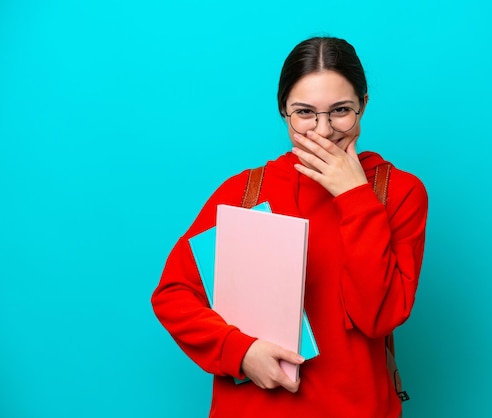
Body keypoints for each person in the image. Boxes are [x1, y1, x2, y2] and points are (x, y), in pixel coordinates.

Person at [151, 36, 428, 417]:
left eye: (340, 110)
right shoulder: (245, 192)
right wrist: (240, 352)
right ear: (283, 109)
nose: (323, 130)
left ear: (363, 105)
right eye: (304, 113)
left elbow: (376, 318)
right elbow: (173, 294)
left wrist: (354, 196)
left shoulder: (397, 193)